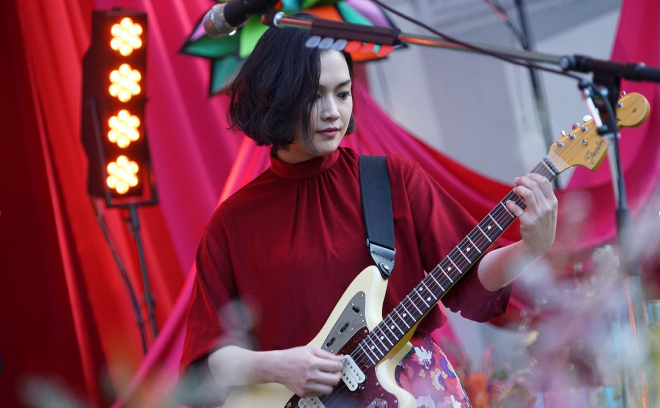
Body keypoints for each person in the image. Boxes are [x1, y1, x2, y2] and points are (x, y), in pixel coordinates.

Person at [179, 16, 558, 408]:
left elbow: (471, 282)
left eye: (343, 93)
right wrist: (277, 366)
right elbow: (209, 359)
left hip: (414, 391)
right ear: (276, 96)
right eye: (314, 96)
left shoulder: (392, 180)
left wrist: (530, 248)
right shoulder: (232, 223)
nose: (333, 112)